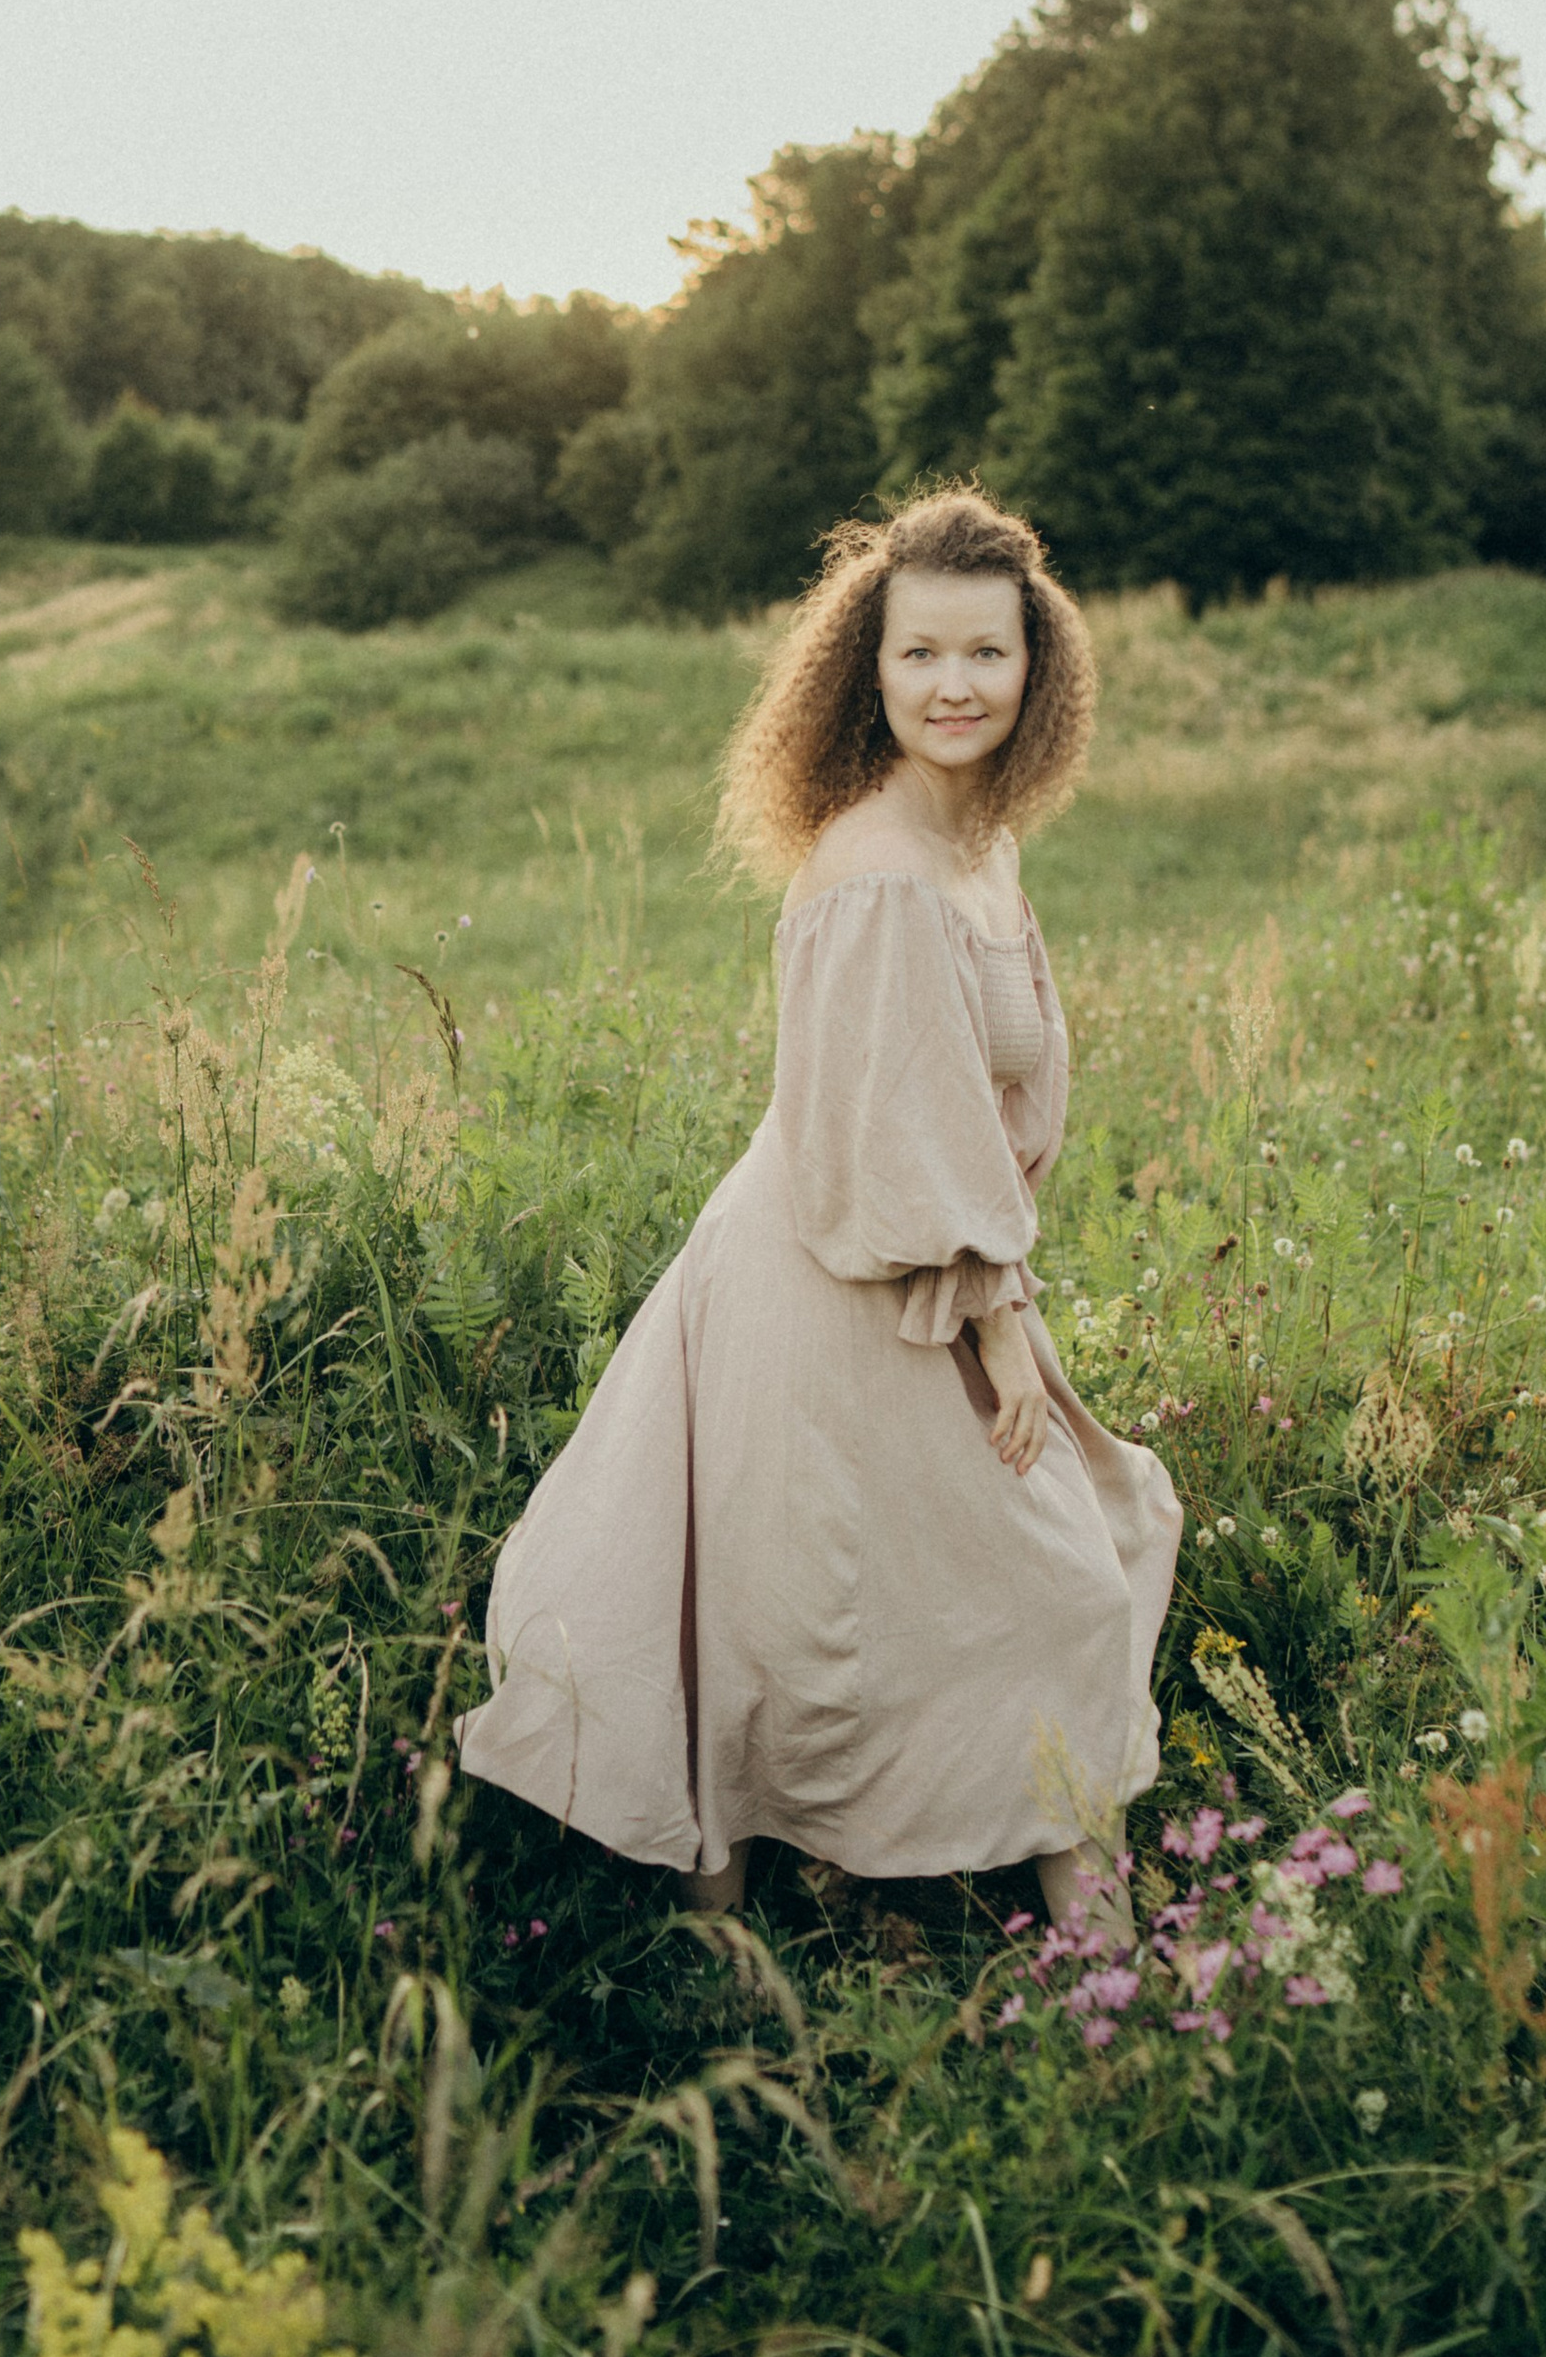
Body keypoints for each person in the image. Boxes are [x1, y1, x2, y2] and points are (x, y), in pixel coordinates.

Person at [455, 487, 1180, 1926]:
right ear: (871, 669)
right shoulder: (878, 875)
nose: (954, 685)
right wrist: (1000, 1325)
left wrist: (998, 1298)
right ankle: (773, 1969)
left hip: (898, 1273)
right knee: (1008, 1592)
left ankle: (1075, 1949)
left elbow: (957, 1117)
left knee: (913, 1592)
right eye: (919, 655)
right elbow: (894, 1149)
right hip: (840, 1284)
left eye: (986, 653)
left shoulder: (977, 848)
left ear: (1039, 670)